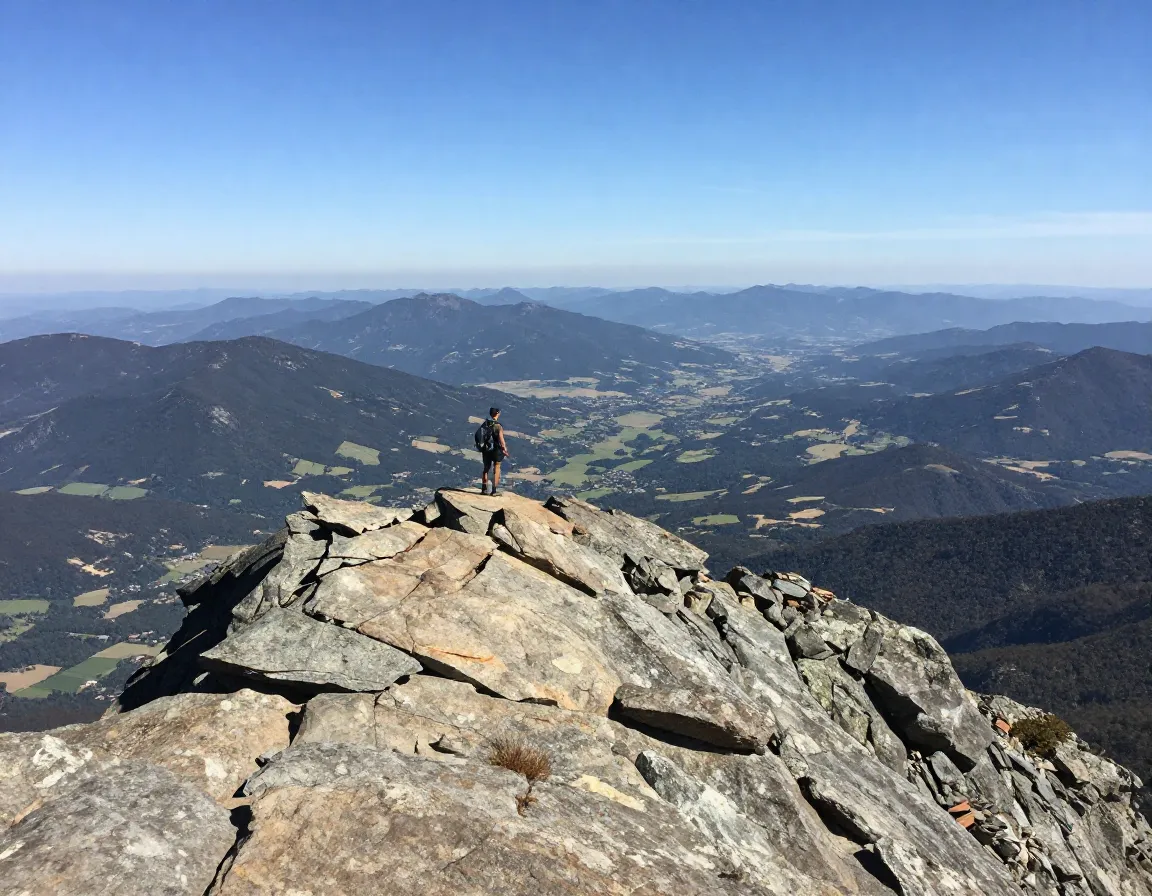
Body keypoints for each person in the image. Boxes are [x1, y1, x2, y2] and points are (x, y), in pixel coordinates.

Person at [476, 406, 510, 495]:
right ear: (497, 413)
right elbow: (501, 440)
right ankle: (494, 491)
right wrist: (505, 450)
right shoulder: (498, 426)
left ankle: (484, 490)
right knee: (497, 468)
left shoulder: (485, 424)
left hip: (486, 449)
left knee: (486, 469)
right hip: (496, 450)